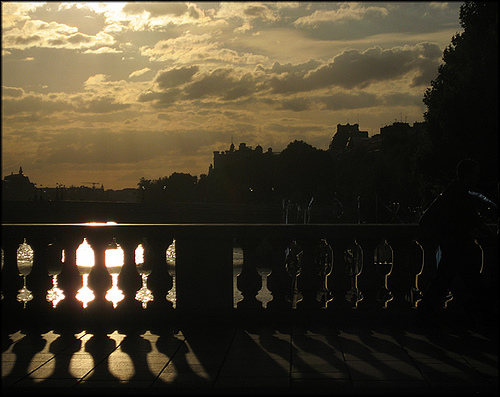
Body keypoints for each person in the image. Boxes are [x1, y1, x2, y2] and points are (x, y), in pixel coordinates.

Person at [416, 159, 496, 329]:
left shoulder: (450, 192)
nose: (477, 176)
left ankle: (423, 314)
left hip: (451, 247)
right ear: (468, 175)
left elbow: (426, 219)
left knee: (443, 284)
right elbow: (477, 222)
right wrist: (492, 237)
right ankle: (482, 318)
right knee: (475, 286)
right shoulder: (461, 194)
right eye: (474, 173)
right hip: (459, 248)